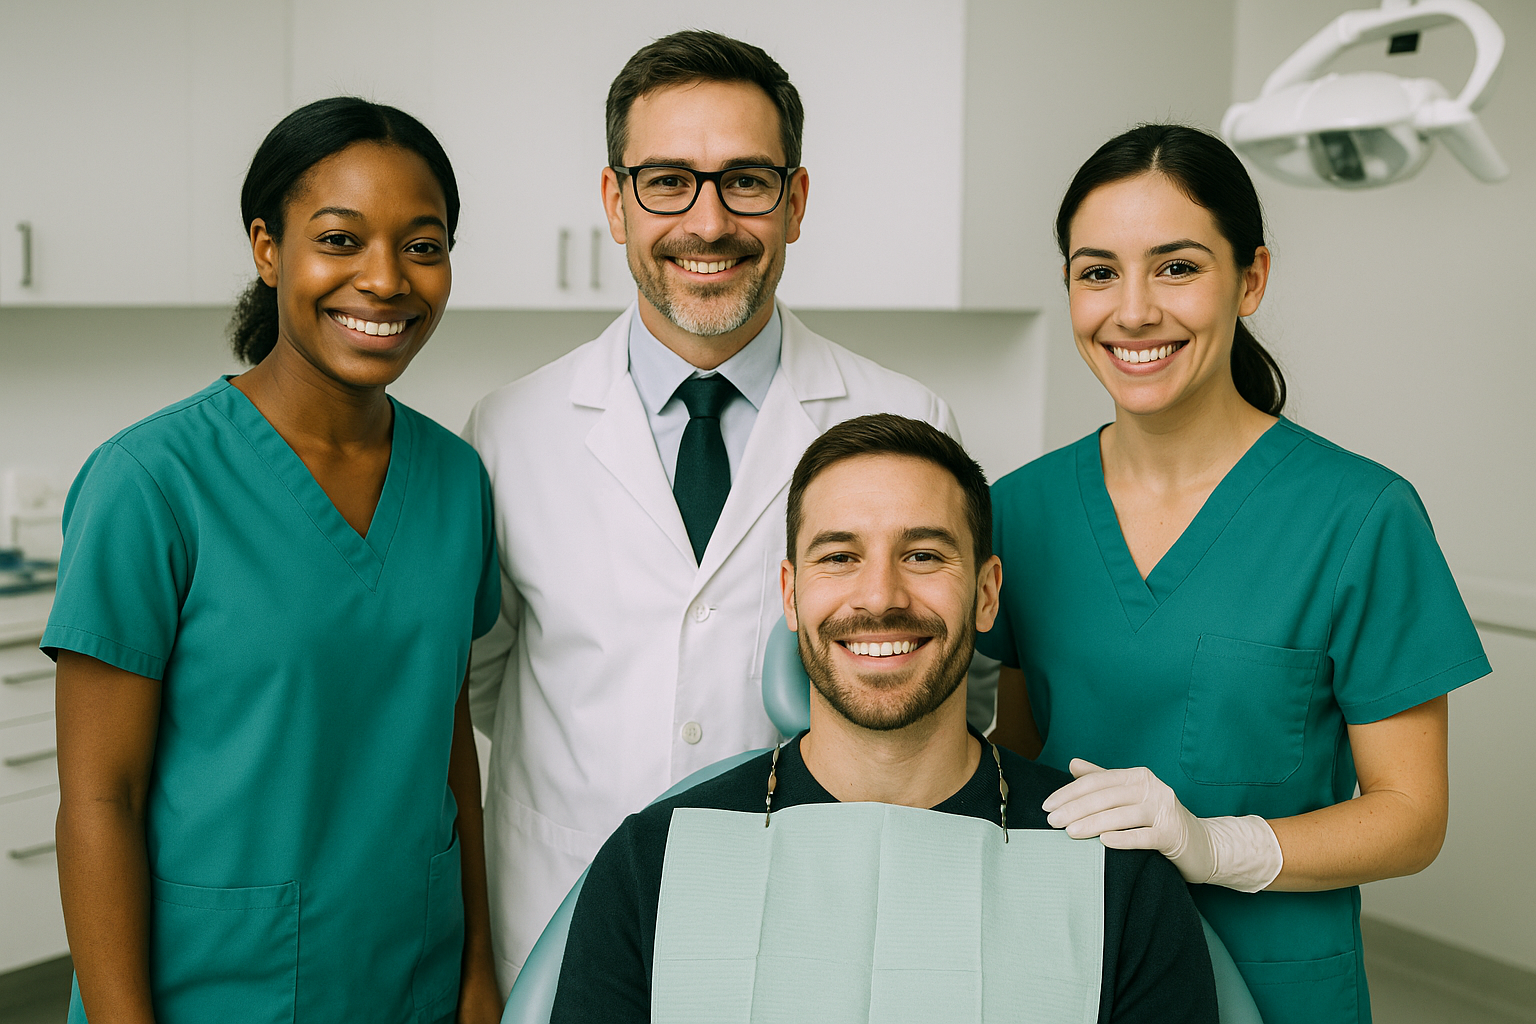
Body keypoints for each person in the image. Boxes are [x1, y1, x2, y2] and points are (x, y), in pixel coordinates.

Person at [464, 30, 955, 987]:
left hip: (809, 920)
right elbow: (488, 678)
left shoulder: (906, 422)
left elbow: (941, 691)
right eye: (667, 182)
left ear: (795, 202)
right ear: (615, 202)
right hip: (563, 913)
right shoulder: (509, 430)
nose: (709, 220)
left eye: (746, 181)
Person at [980, 124, 1491, 1024]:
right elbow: (1017, 769)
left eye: (1177, 267)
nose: (1133, 311)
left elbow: (1413, 816)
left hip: (1275, 986)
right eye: (1098, 273)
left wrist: (1216, 846)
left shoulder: (1360, 515)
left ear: (1251, 278)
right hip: (1070, 967)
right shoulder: (1017, 513)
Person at [46, 97, 503, 1023]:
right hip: (213, 991)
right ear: (267, 248)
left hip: (409, 976)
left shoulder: (456, 480)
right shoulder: (151, 482)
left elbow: (445, 737)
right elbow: (99, 799)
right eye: (340, 240)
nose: (386, 280)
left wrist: (477, 967)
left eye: (422, 246)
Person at [550, 414, 1217, 1023]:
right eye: (839, 557)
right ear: (791, 594)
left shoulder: (1114, 875)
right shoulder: (652, 862)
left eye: (923, 555)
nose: (880, 597)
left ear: (986, 594)